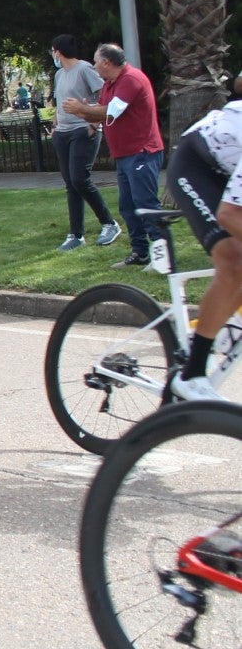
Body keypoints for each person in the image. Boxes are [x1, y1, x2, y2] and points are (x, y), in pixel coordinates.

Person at [165, 95, 242, 399]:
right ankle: (192, 375)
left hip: (229, 170)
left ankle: (226, 322)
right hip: (196, 165)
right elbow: (229, 214)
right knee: (234, 262)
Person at [62, 43, 165, 267]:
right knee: (128, 207)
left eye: (96, 61)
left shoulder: (131, 79)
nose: (94, 65)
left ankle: (163, 258)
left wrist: (81, 108)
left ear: (107, 62)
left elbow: (111, 111)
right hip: (126, 155)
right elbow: (99, 116)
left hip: (142, 153)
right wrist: (83, 111)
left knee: (146, 205)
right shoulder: (110, 84)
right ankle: (140, 253)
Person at [50, 34, 121, 251]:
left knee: (80, 179)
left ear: (58, 51)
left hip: (83, 130)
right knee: (71, 184)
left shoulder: (84, 69)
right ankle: (76, 234)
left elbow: (104, 95)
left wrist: (94, 124)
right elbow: (59, 101)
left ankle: (109, 223)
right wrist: (55, 125)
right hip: (63, 133)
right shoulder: (59, 74)